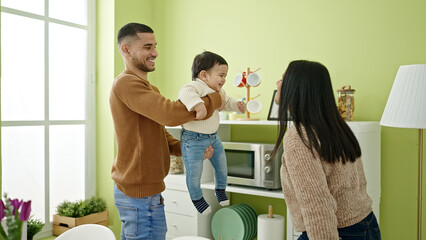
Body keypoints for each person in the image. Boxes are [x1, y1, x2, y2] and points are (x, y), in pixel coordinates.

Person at [110, 23, 222, 240]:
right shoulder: (126, 84)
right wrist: (216, 98)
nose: (155, 53)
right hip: (139, 196)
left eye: (155, 46)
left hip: (142, 193)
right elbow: (171, 114)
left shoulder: (150, 89)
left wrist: (190, 149)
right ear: (126, 49)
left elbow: (161, 134)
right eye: (147, 47)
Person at [272, 60, 381, 240]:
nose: (277, 83)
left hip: (335, 231)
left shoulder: (298, 137)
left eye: (283, 79)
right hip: (367, 225)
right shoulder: (336, 126)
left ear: (298, 88)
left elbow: (317, 205)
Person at [178, 51, 246, 215]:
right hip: (193, 139)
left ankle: (220, 189)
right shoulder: (195, 86)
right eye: (221, 75)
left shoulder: (219, 92)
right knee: (194, 174)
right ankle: (196, 198)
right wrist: (198, 105)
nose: (223, 80)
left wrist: (237, 105)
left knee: (222, 166)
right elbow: (185, 93)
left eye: (225, 76)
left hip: (213, 138)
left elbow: (226, 102)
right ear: (204, 75)